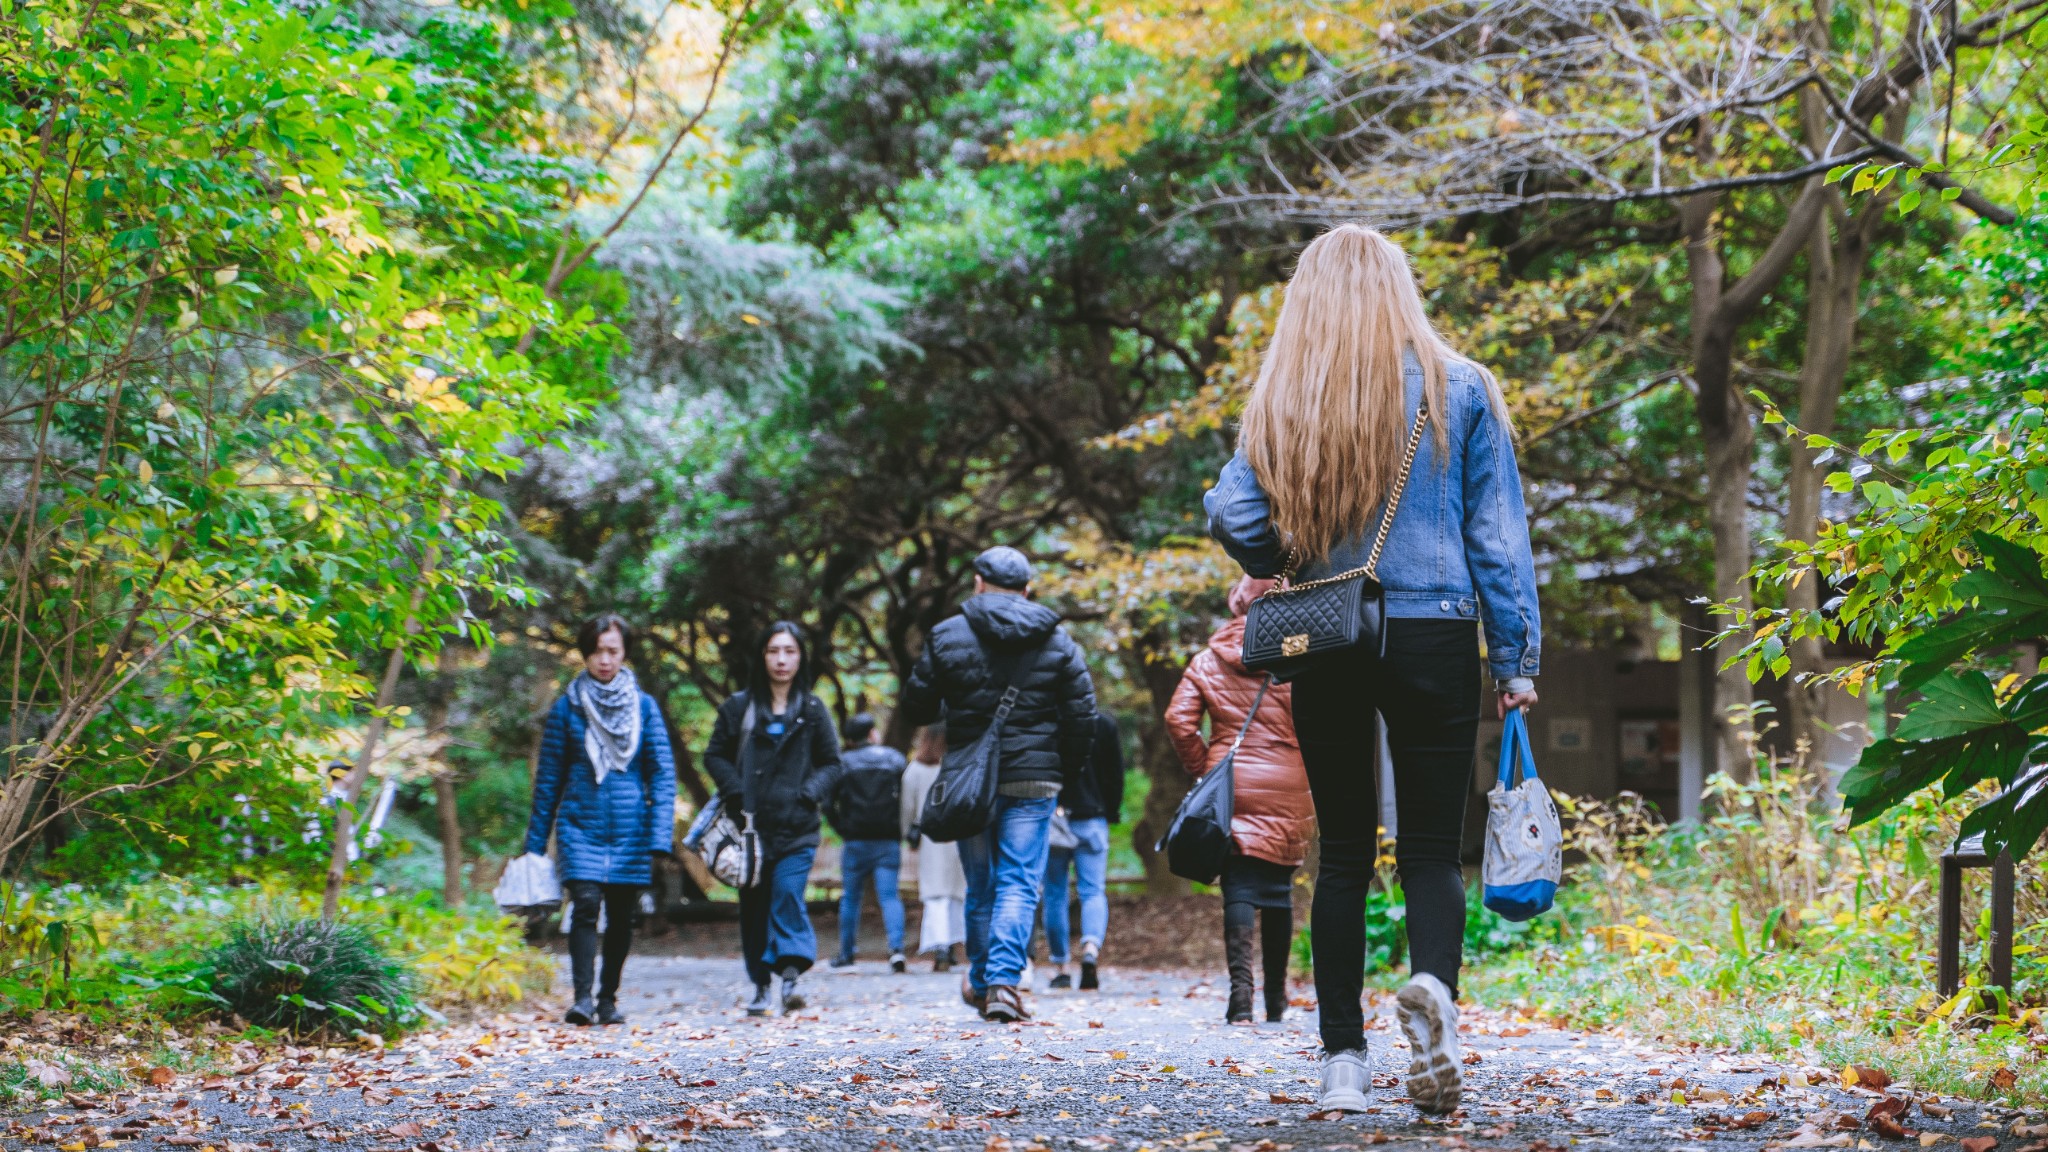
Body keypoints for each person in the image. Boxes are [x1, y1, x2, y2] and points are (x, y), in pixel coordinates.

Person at [1206, 225, 1541, 1116]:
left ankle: (1344, 1064)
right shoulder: (1459, 386)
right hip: (1436, 632)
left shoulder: (1289, 395)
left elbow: (1237, 511)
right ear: (1399, 288)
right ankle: (1435, 996)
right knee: (1433, 850)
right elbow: (1496, 539)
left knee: (1346, 854)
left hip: (1329, 633)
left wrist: (1287, 550)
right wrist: (1514, 660)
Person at [901, 545, 1096, 1023]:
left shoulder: (948, 635)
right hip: (1035, 779)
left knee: (982, 884)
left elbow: (918, 707)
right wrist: (1062, 773)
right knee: (1019, 881)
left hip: (971, 779)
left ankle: (987, 978)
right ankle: (1004, 983)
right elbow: (1082, 715)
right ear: (1028, 589)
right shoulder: (1057, 640)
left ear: (977, 583)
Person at [1165, 575, 1315, 1025]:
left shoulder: (1209, 660)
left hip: (1231, 785)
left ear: (1237, 605)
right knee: (1279, 890)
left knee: (1238, 886)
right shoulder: (1302, 652)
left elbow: (1179, 721)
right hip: (1291, 782)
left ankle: (1241, 997)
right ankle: (1277, 998)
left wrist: (1203, 768)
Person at [523, 613, 678, 1027]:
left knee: (623, 915)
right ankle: (582, 999)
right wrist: (534, 846)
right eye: (595, 651)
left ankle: (608, 998)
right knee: (586, 905)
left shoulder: (644, 708)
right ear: (585, 654)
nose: (604, 660)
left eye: (612, 650)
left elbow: (662, 773)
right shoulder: (567, 708)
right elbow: (548, 782)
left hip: (632, 830)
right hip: (579, 825)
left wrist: (660, 834)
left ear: (624, 652)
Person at [702, 622, 844, 1017]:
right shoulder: (738, 708)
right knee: (754, 908)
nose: (782, 660)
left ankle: (791, 975)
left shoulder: (813, 710)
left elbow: (833, 764)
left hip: (797, 828)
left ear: (801, 657)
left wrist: (809, 794)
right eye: (773, 651)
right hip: (749, 831)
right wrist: (735, 790)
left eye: (790, 651)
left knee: (786, 894)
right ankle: (761, 986)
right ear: (762, 656)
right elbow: (713, 755)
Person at [1039, 713, 1121, 991]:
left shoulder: (1049, 722)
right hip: (1093, 818)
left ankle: (1061, 966)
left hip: (1056, 820)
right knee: (1093, 891)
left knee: (1054, 893)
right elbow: (1115, 773)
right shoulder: (1103, 723)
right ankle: (1090, 950)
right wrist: (1110, 811)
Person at [827, 713, 908, 973]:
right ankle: (896, 950)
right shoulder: (894, 759)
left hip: (855, 840)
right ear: (872, 733)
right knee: (890, 896)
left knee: (850, 897)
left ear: (850, 739)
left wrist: (842, 828)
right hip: (887, 839)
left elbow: (827, 804)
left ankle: (847, 954)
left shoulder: (842, 763)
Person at [901, 726, 967, 971]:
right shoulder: (958, 767)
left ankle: (940, 945)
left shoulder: (916, 770)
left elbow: (907, 807)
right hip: (958, 835)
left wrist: (907, 832)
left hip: (931, 836)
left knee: (935, 893)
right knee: (955, 892)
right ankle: (952, 944)